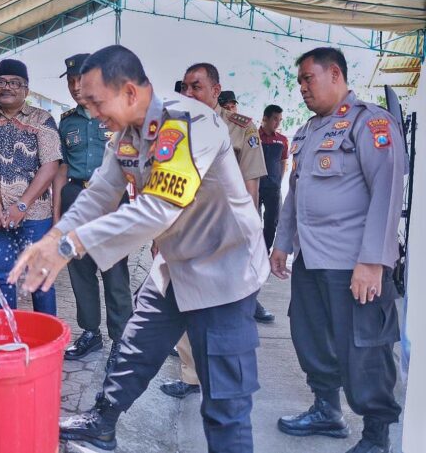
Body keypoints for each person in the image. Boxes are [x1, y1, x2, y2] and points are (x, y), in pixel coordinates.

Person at [8, 45, 268, 452]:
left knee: (223, 398)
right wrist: (53, 238)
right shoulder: (128, 133)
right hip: (175, 264)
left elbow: (159, 208)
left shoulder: (187, 122)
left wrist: (72, 244)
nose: (92, 113)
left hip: (224, 270)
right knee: (134, 348)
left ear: (129, 92)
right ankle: (102, 422)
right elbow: (100, 194)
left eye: (95, 101)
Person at [271, 47, 405, 453]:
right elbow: (294, 194)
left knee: (364, 351)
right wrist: (282, 243)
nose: (302, 89)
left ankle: (376, 437)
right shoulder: (308, 130)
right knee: (310, 339)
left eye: (308, 79)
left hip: (354, 264)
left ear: (335, 74)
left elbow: (387, 191)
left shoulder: (371, 122)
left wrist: (372, 261)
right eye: (299, 82)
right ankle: (327, 411)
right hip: (312, 260)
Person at [161, 65, 271, 401]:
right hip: (184, 232)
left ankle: (226, 381)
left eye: (197, 87)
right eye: (186, 88)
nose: (190, 94)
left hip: (226, 234)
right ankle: (192, 375)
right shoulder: (174, 128)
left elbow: (251, 188)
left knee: (224, 312)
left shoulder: (241, 129)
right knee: (185, 301)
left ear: (215, 89)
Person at [0, 58, 60, 315]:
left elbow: (50, 166)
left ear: (26, 89)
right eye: (2, 82)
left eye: (15, 83)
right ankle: (6, 337)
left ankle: (46, 341)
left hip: (34, 216)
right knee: (1, 276)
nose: (7, 87)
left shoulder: (42, 119)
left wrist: (22, 204)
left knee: (40, 279)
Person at [52, 53, 132, 371]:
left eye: (80, 80)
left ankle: (121, 340)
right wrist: (58, 214)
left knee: (114, 272)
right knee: (80, 270)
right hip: (75, 196)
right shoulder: (67, 121)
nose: (75, 86)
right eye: (71, 81)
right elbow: (60, 168)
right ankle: (90, 333)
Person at [258, 104, 288, 251]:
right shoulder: (253, 136)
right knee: (253, 221)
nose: (277, 123)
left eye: (280, 120)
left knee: (271, 222)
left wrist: (279, 182)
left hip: (273, 187)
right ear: (265, 118)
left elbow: (283, 162)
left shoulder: (282, 140)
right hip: (255, 185)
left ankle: (265, 250)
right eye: (275, 119)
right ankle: (254, 250)